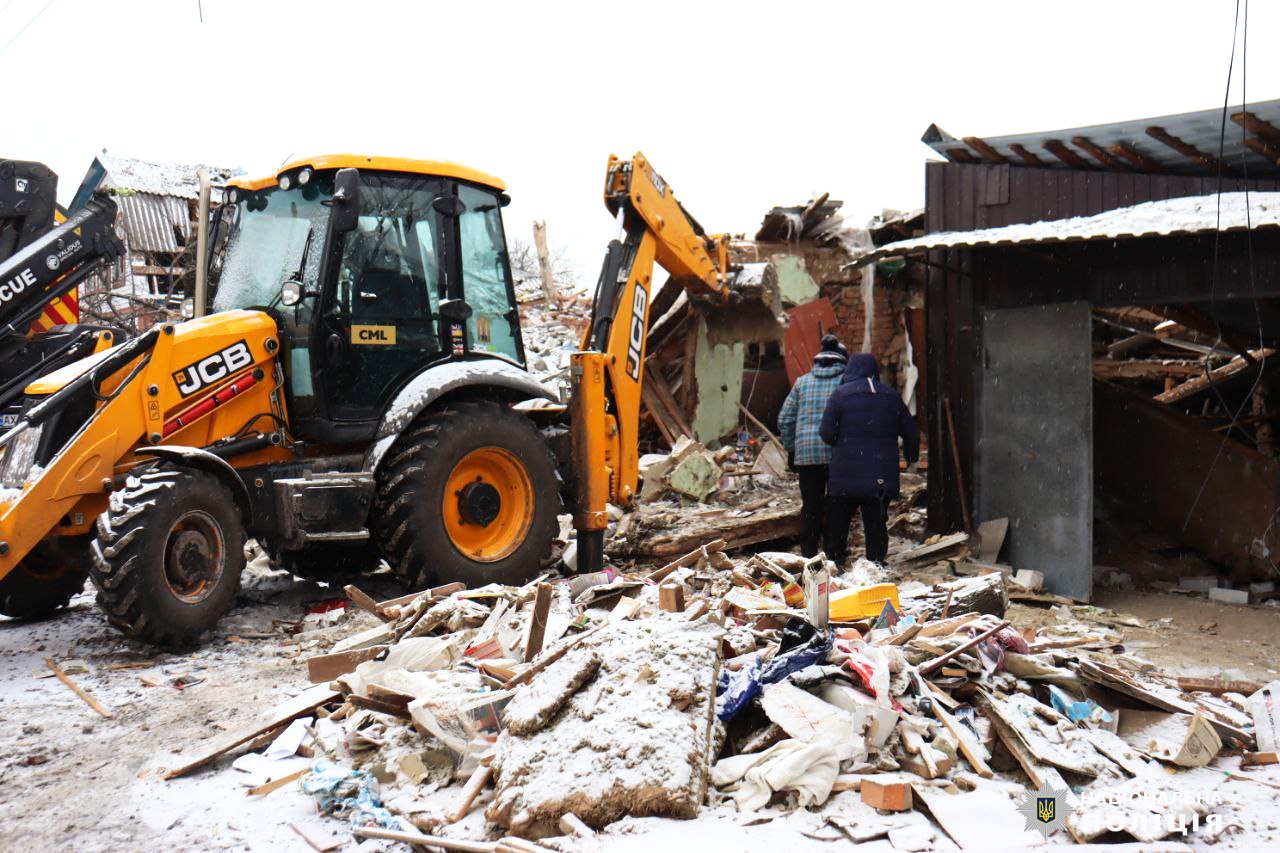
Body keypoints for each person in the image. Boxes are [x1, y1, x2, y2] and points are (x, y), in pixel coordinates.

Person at [819, 352, 920, 565]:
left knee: (838, 522)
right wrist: (911, 458)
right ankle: (875, 565)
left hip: (844, 476)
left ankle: (835, 563)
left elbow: (826, 433)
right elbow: (912, 433)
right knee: (875, 523)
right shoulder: (891, 396)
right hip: (880, 477)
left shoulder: (840, 395)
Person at [777, 334, 848, 557]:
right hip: (839, 456)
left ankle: (808, 553)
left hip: (807, 456)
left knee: (811, 505)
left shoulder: (802, 382)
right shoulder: (846, 383)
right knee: (837, 505)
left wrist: (792, 449)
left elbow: (784, 420)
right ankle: (834, 554)